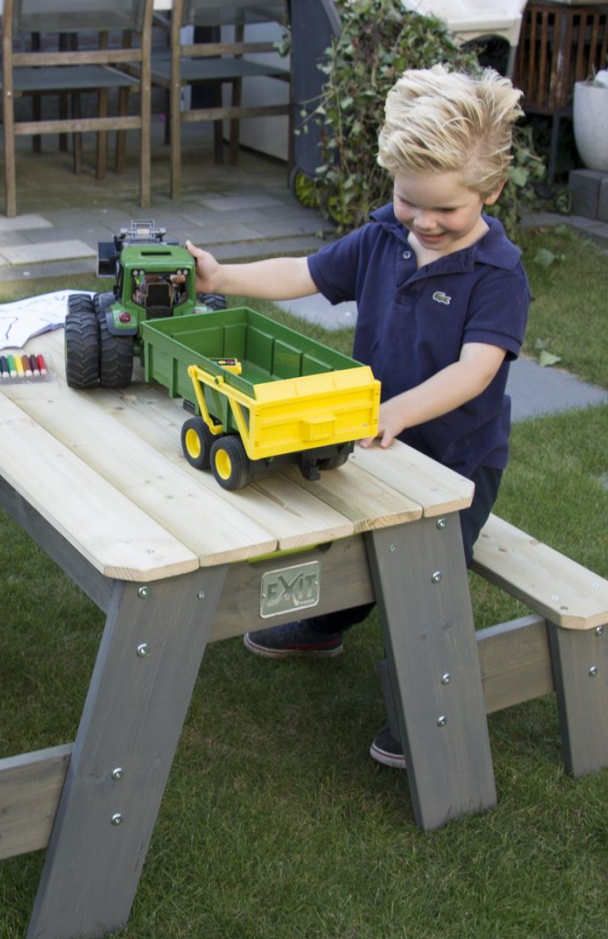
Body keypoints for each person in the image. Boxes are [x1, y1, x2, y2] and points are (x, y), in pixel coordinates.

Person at [185, 65, 531, 770]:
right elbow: (306, 273)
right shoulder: (382, 239)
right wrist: (224, 279)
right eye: (411, 202)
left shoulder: (497, 274)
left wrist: (398, 411)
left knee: (429, 582)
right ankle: (329, 621)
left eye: (447, 212)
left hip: (458, 460)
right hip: (375, 441)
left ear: (490, 193)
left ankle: (431, 715)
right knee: (345, 545)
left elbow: (476, 370)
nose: (426, 224)